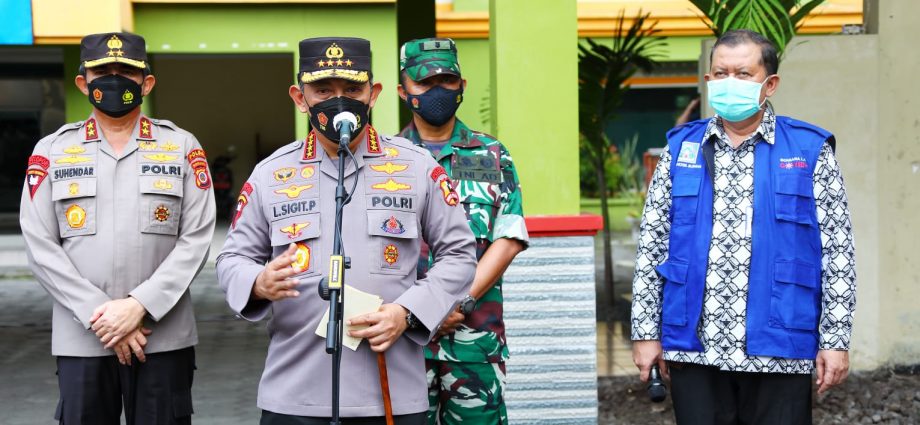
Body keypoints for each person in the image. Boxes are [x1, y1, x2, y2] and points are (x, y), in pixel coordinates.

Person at [216, 36, 477, 425]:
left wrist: (407, 312)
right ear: (300, 97)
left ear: (373, 94)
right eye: (323, 90)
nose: (338, 100)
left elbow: (459, 253)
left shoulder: (416, 166)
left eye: (352, 89)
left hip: (390, 392)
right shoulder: (271, 174)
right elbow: (232, 257)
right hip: (295, 394)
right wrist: (257, 282)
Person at [630, 29, 856, 424]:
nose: (729, 82)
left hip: (780, 343)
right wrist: (646, 333)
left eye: (743, 73)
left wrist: (835, 340)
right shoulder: (680, 150)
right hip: (694, 347)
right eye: (721, 73)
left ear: (770, 84)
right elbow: (653, 245)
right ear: (708, 79)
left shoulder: (809, 150)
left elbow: (838, 252)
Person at [20, 32, 216, 424]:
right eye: (102, 72)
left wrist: (139, 306)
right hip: (83, 337)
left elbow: (196, 238)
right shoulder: (52, 150)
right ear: (83, 83)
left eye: (125, 71)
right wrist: (101, 315)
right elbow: (39, 243)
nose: (114, 80)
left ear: (147, 82)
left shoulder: (181, 146)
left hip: (162, 336)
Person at [396, 37, 528, 425]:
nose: (437, 90)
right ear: (404, 90)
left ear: (462, 86)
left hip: (475, 342)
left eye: (447, 80)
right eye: (424, 82)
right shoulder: (386, 159)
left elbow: (508, 238)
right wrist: (423, 311)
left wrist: (456, 302)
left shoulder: (492, 154)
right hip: (404, 343)